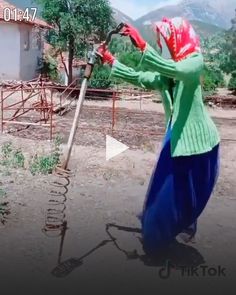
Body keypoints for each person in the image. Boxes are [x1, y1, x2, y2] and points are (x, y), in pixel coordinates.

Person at [97, 17, 220, 255]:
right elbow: (140, 77)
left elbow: (177, 69)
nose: (166, 43)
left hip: (200, 143)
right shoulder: (168, 74)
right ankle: (157, 239)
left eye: (167, 38)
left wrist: (143, 46)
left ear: (178, 37)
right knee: (163, 195)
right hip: (176, 140)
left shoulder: (194, 62)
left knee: (184, 194)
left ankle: (169, 234)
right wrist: (111, 60)